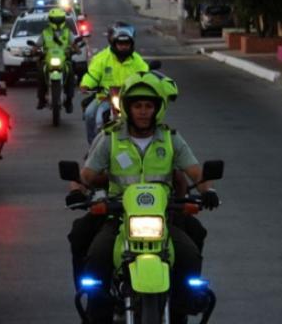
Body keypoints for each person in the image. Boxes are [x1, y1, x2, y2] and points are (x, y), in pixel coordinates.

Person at [67, 72, 220, 324]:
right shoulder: (110, 137)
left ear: (157, 108)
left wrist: (208, 191)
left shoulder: (171, 139)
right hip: (118, 216)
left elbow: (196, 172)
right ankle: (97, 308)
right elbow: (86, 174)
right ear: (127, 107)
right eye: (137, 105)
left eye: (149, 105)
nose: (143, 111)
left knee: (190, 251)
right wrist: (76, 191)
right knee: (96, 254)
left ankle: (182, 305)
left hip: (163, 216)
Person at [80, 22, 149, 144]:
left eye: (126, 44)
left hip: (130, 98)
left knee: (149, 116)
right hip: (105, 98)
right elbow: (93, 74)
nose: (123, 47)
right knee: (91, 115)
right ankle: (94, 148)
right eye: (120, 44)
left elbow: (146, 75)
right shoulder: (101, 58)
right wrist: (86, 85)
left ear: (131, 44)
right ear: (113, 43)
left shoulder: (137, 60)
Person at [35, 8, 77, 112]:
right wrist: (34, 50)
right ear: (50, 20)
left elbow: (75, 45)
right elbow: (37, 45)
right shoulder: (45, 32)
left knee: (71, 73)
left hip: (64, 59)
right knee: (41, 73)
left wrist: (75, 50)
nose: (57, 22)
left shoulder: (67, 32)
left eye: (59, 20)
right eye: (55, 20)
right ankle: (41, 99)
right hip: (48, 60)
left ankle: (69, 100)